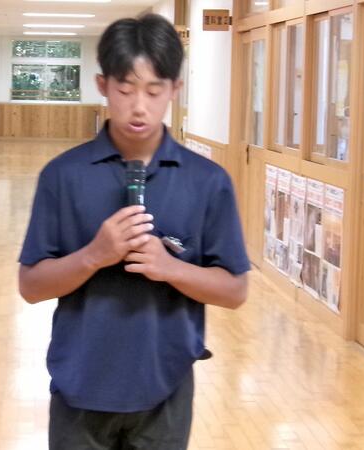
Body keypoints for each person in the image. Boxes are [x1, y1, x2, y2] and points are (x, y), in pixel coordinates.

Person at [18, 13, 250, 450]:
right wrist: (94, 255)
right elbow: (30, 286)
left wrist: (170, 267)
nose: (139, 106)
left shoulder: (208, 182)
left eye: (154, 90)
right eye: (125, 90)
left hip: (165, 390)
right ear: (103, 85)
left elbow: (235, 291)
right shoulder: (62, 176)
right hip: (78, 386)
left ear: (175, 90)